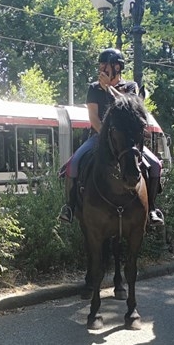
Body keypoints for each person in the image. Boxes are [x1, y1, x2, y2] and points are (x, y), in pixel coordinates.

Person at [58, 48, 164, 226]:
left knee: (155, 165)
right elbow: (93, 117)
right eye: (101, 65)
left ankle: (151, 209)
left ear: (117, 67)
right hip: (99, 136)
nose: (102, 69)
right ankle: (69, 207)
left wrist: (109, 88)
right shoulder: (93, 88)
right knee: (73, 163)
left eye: (105, 65)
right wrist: (104, 136)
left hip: (128, 140)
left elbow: (130, 104)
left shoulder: (131, 86)